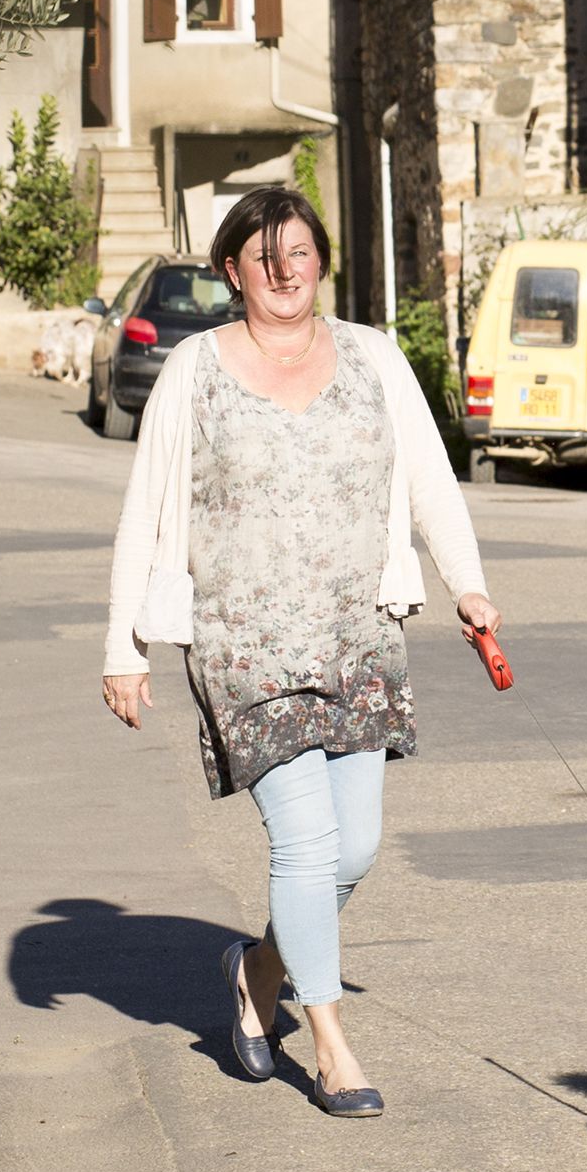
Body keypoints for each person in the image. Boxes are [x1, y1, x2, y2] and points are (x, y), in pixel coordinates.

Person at [101, 183, 498, 1116]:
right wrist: (123, 645)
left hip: (358, 629)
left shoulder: (375, 358)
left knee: (353, 845)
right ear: (232, 271)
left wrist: (467, 584)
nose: (286, 272)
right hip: (244, 644)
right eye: (264, 257)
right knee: (306, 837)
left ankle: (258, 970)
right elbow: (143, 515)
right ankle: (331, 1047)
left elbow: (432, 485)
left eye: (301, 254)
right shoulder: (194, 372)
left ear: (321, 261)